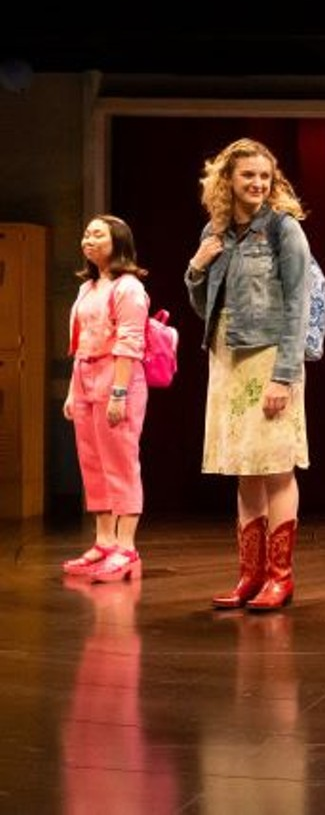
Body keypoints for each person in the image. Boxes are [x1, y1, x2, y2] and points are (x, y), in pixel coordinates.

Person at [186, 138, 314, 612]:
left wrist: (284, 375)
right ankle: (250, 576)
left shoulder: (283, 230)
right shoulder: (215, 231)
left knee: (276, 466)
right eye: (248, 175)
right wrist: (196, 268)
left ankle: (280, 578)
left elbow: (299, 306)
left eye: (264, 176)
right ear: (228, 179)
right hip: (227, 358)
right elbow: (205, 307)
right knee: (245, 468)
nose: (258, 183)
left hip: (269, 358)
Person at [61, 215, 152, 583]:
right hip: (85, 376)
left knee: (120, 461)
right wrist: (73, 391)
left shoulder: (128, 288)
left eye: (98, 235)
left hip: (118, 376)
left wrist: (118, 393)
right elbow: (79, 342)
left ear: (118, 243)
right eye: (86, 234)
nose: (88, 240)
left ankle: (126, 548)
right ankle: (104, 542)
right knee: (93, 462)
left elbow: (130, 342)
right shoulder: (88, 287)